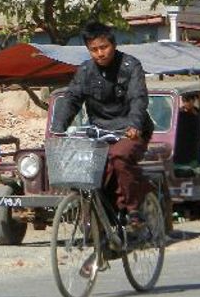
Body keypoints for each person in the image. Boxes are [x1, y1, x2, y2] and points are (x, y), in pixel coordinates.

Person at [51, 21, 154, 227]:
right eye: (94, 50)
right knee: (90, 172)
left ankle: (134, 209)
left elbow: (138, 98)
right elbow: (72, 99)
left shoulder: (131, 66)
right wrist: (57, 128)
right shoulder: (85, 71)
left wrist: (134, 125)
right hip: (99, 133)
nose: (100, 53)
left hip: (130, 131)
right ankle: (102, 225)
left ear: (113, 44)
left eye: (103, 47)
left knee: (119, 156)